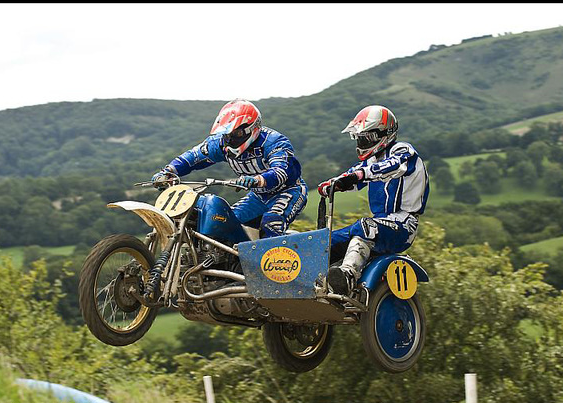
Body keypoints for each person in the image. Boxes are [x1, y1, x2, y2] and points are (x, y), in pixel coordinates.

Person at [151, 99, 307, 238]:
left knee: (271, 223)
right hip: (258, 196)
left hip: (289, 191)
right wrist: (169, 171)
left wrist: (257, 180)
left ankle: (279, 267)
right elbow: (193, 157)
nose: (230, 139)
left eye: (236, 133)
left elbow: (281, 172)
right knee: (225, 223)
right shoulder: (220, 143)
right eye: (227, 134)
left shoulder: (274, 142)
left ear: (252, 128)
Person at [317, 105, 429, 295]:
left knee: (366, 226)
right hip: (381, 224)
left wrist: (360, 175)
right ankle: (312, 281)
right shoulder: (370, 162)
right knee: (324, 240)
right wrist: (333, 183)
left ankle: (347, 276)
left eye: (366, 137)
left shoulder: (403, 151)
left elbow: (390, 166)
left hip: (403, 225)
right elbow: (353, 174)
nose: (361, 142)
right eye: (359, 138)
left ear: (384, 133)